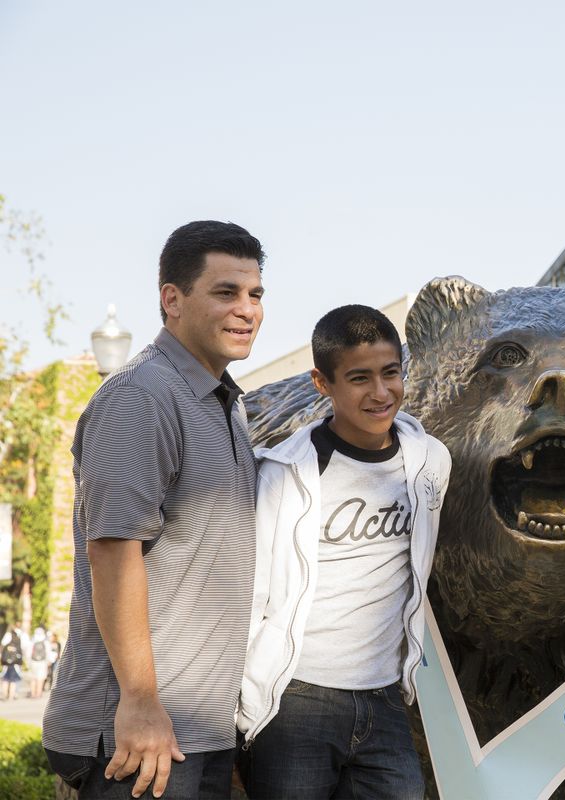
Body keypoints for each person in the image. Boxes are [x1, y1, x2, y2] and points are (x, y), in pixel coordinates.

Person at [42, 221, 266, 800]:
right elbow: (113, 552)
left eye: (256, 294)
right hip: (136, 736)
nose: (247, 309)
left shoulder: (226, 405)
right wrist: (141, 703)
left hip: (197, 732)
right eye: (226, 292)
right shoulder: (140, 396)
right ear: (172, 299)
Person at [237, 305, 450, 800]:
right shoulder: (282, 475)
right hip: (296, 701)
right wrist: (241, 709)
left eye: (390, 373)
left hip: (385, 699)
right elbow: (254, 594)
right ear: (322, 383)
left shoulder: (431, 463)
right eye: (359, 378)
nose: (380, 392)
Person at [27, 626, 49, 698]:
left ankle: (33, 694)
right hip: (42, 662)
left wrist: (28, 662)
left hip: (33, 661)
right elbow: (48, 652)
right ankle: (38, 693)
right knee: (41, 678)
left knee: (33, 678)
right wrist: (48, 661)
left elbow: (28, 653)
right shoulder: (45, 641)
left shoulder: (32, 641)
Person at [1, 628, 21, 701]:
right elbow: (20, 656)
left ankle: (4, 694)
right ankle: (11, 696)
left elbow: (3, 655)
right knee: (13, 681)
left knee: (5, 680)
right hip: (15, 665)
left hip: (6, 665)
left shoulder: (6, 645)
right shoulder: (17, 645)